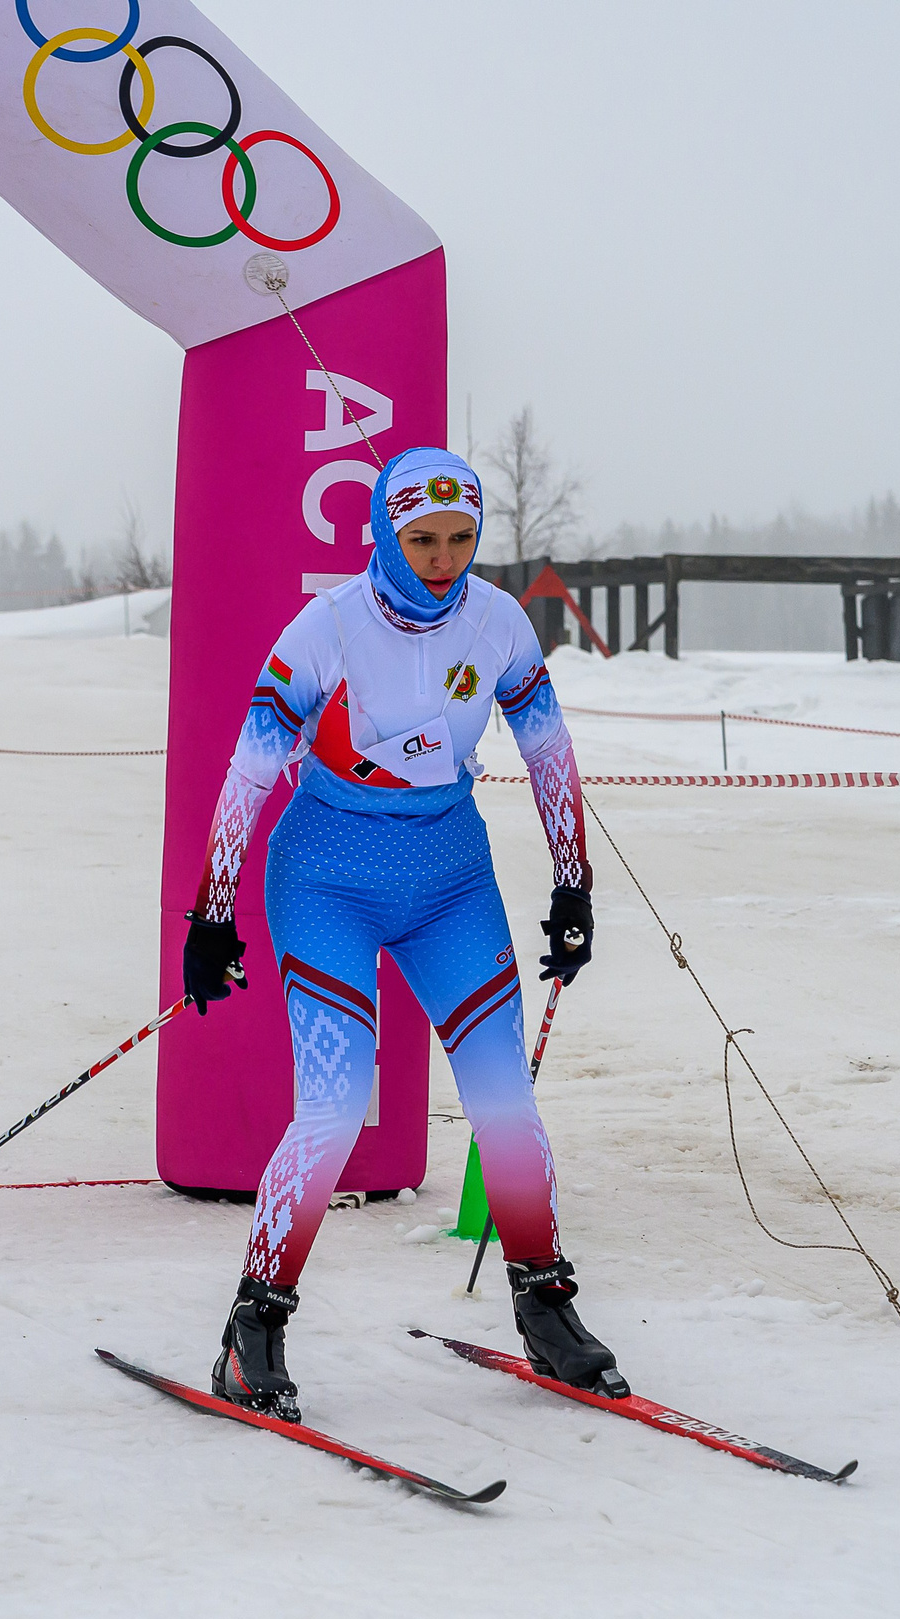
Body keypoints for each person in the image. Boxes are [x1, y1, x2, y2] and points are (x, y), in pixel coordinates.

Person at [181, 444, 626, 1423]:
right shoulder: (328, 625)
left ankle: (545, 1310)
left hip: (448, 880)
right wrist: (213, 909)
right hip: (327, 878)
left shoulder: (498, 620)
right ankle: (252, 1329)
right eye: (420, 538)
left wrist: (572, 882)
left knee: (504, 1101)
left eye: (460, 539)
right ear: (383, 529)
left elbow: (546, 745)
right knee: (335, 1108)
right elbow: (252, 765)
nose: (440, 558)